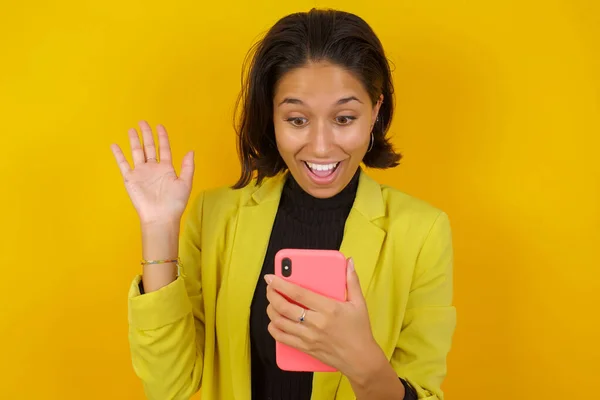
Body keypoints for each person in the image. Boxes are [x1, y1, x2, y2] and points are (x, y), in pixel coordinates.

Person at [111, 8, 456, 400]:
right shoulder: (216, 216)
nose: (322, 146)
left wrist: (363, 361)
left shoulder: (422, 233)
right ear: (271, 117)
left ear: (375, 112)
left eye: (344, 118)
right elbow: (168, 385)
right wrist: (159, 230)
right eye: (296, 120)